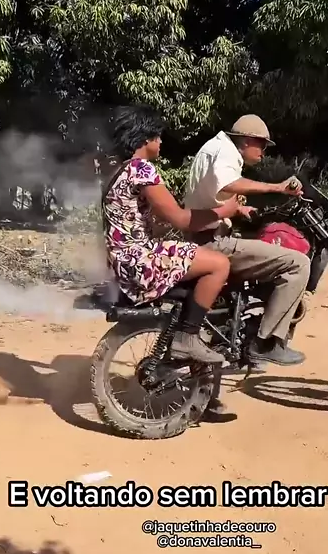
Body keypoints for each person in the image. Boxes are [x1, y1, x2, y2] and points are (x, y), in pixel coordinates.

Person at [103, 104, 247, 368]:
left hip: (122, 261)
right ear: (143, 138)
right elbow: (180, 218)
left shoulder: (118, 170)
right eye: (157, 136)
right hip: (138, 261)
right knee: (219, 264)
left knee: (194, 255)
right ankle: (187, 337)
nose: (160, 141)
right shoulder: (141, 169)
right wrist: (224, 211)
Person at [184, 114, 311, 367]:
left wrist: (240, 210)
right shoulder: (226, 151)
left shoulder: (216, 147)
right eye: (262, 145)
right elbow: (229, 183)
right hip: (212, 242)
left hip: (204, 235)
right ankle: (266, 343)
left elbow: (212, 190)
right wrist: (277, 188)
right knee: (298, 263)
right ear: (246, 141)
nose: (263, 152)